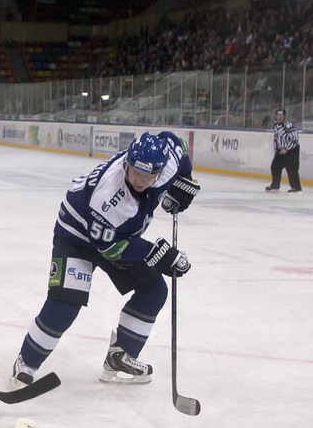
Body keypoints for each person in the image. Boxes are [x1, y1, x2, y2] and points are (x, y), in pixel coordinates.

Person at [10, 131, 200, 386]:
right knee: (66, 302)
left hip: (118, 235)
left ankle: (120, 356)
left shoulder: (167, 163)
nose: (141, 180)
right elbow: (110, 247)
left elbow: (178, 144)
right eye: (136, 173)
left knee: (154, 290)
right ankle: (26, 362)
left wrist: (184, 179)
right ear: (127, 163)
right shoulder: (108, 196)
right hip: (76, 236)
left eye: (149, 175)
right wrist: (158, 254)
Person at [265, 108, 302, 193]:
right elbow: (276, 138)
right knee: (275, 166)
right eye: (278, 115)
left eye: (281, 115)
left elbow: (295, 138)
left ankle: (296, 188)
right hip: (281, 149)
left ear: (284, 116)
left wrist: (287, 148)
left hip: (292, 149)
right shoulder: (276, 126)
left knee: (291, 168)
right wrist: (276, 148)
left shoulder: (288, 125)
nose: (279, 117)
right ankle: (275, 184)